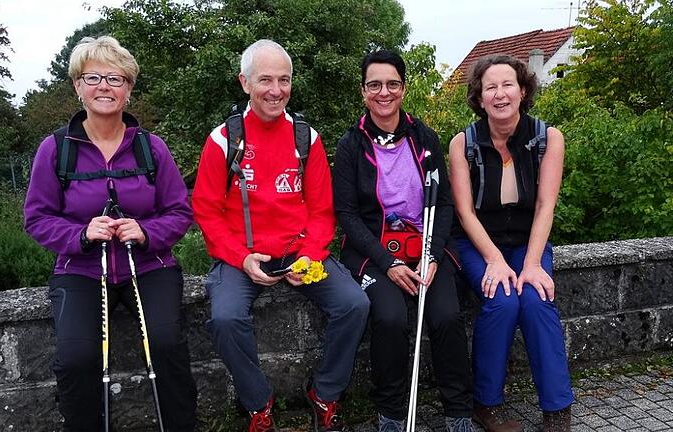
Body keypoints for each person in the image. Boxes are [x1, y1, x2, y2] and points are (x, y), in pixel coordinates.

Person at [192, 39, 370, 432]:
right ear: (244, 82)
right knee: (224, 318)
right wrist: (241, 258)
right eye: (265, 80)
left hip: (299, 253)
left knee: (354, 304)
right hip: (243, 255)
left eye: (284, 80)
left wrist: (310, 255)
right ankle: (259, 404)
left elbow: (323, 210)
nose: (276, 90)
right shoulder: (223, 140)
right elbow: (205, 210)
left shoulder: (307, 138)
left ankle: (324, 392)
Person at [24, 36, 197, 431]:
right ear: (77, 86)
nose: (105, 86)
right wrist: (81, 234)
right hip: (81, 269)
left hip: (150, 265)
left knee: (166, 345)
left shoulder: (151, 148)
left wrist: (147, 230)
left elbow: (179, 210)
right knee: (76, 358)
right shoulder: (55, 150)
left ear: (129, 89)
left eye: (116, 78)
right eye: (93, 77)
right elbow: (37, 217)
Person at [332, 50, 475, 432]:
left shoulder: (424, 138)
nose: (384, 92)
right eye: (374, 84)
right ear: (363, 91)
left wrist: (431, 255)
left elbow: (443, 203)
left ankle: (458, 412)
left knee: (446, 315)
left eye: (392, 83)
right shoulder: (350, 146)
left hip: (426, 245)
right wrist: (388, 263)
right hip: (374, 250)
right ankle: (391, 413)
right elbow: (346, 214)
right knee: (390, 318)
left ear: (404, 88)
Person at [448, 54, 574, 432]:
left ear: (522, 90)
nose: (499, 94)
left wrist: (532, 263)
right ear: (479, 97)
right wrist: (494, 260)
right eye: (490, 87)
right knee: (502, 301)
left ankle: (556, 410)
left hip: (527, 241)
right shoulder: (462, 143)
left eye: (507, 85)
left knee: (537, 300)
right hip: (477, 242)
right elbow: (465, 213)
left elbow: (545, 204)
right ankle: (486, 404)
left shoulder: (548, 138)